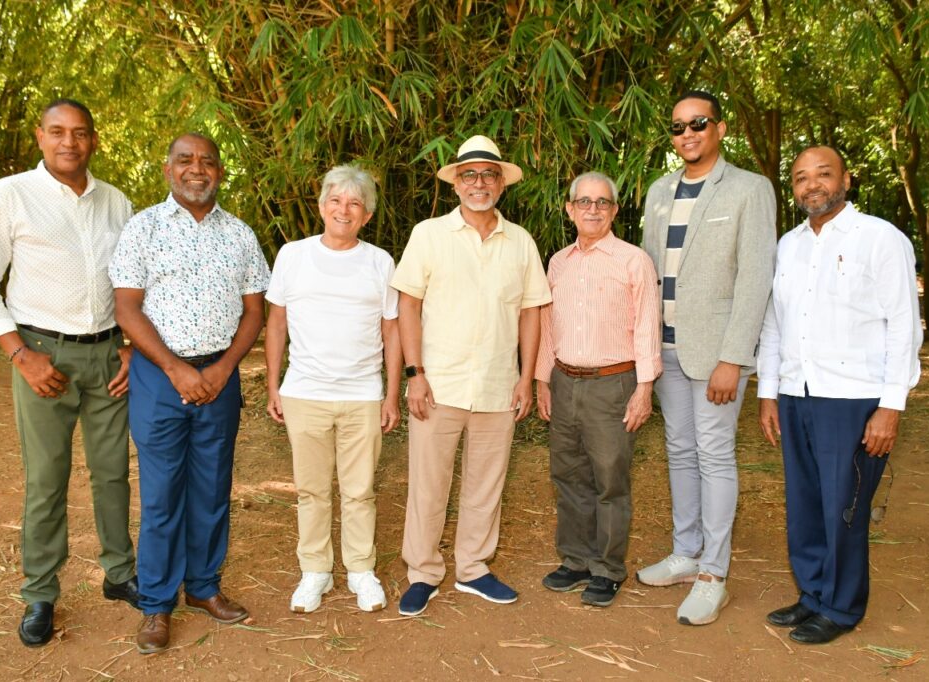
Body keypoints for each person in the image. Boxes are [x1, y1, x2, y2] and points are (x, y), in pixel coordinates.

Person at [0, 98, 139, 647]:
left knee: (112, 473)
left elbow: (136, 281)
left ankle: (120, 574)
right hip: (41, 354)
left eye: (80, 132)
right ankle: (40, 592)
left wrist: (132, 347)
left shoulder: (116, 201)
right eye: (58, 131)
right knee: (46, 478)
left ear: (94, 140)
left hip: (109, 355)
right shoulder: (11, 194)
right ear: (39, 136)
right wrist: (20, 355)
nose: (69, 142)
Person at [109, 133, 269, 654]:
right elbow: (127, 308)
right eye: (185, 160)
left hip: (219, 377)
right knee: (161, 496)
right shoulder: (143, 228)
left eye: (207, 161)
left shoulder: (240, 234)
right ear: (168, 169)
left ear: (219, 172)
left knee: (212, 489)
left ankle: (203, 586)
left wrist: (224, 368)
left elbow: (255, 312)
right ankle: (156, 604)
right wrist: (175, 368)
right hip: (159, 379)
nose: (196, 169)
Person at [757, 146, 922, 644]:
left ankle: (842, 607)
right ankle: (812, 594)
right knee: (805, 502)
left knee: (843, 507)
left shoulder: (880, 238)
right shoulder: (789, 245)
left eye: (823, 174)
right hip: (796, 392)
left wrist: (891, 406)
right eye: (801, 177)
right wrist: (768, 392)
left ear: (846, 180)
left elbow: (903, 326)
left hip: (853, 399)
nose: (812, 185)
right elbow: (775, 322)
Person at [391, 135, 551, 616]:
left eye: (488, 174)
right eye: (469, 175)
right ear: (456, 184)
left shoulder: (520, 242)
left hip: (498, 384)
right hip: (438, 384)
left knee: (486, 484)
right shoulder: (428, 234)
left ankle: (474, 568)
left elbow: (530, 312)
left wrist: (526, 378)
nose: (479, 183)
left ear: (501, 184)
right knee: (428, 484)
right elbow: (408, 305)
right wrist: (415, 374)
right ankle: (423, 573)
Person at [639, 90, 777, 625]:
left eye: (698, 123)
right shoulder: (658, 191)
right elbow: (648, 272)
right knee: (679, 450)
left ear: (720, 128)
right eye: (677, 127)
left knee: (715, 455)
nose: (687, 134)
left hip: (717, 353)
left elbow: (755, 278)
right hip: (667, 348)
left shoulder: (749, 189)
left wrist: (734, 357)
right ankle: (686, 552)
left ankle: (714, 574)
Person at [265, 165, 402, 614]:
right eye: (337, 201)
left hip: (362, 394)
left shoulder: (380, 262)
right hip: (305, 392)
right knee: (312, 490)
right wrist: (273, 385)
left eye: (355, 203)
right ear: (322, 206)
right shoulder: (293, 255)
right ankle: (315, 572)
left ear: (367, 215)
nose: (345, 210)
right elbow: (277, 323)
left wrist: (392, 394)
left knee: (360, 490)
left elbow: (391, 330)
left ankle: (361, 570)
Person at [535, 172, 662, 607]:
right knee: (568, 476)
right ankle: (575, 560)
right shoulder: (558, 262)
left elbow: (647, 325)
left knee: (610, 480)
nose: (593, 209)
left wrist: (644, 388)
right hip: (564, 380)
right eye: (584, 202)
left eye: (602, 202)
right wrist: (542, 380)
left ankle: (607, 568)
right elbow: (548, 325)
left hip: (613, 384)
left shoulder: (633, 260)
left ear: (614, 210)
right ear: (569, 209)